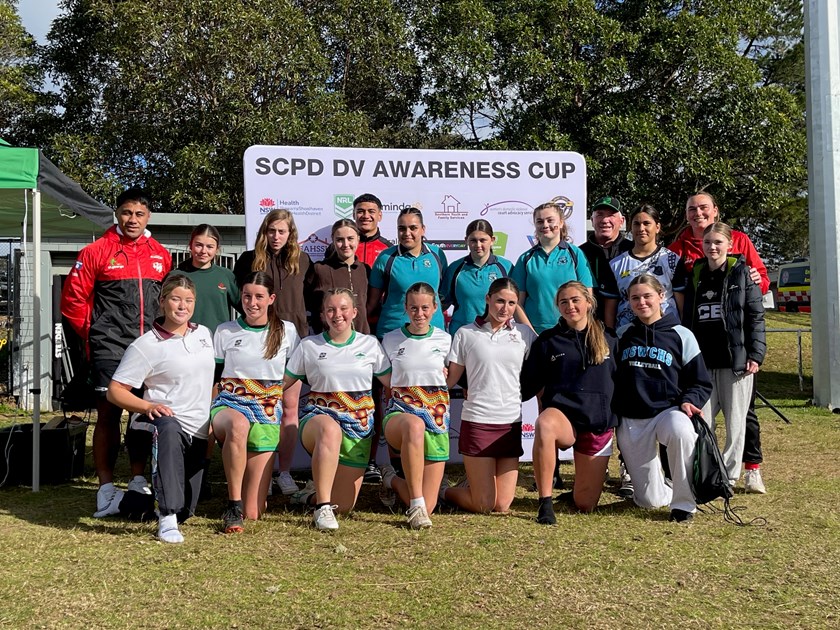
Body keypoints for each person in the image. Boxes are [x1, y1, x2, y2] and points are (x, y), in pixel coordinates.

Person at [60, 186, 171, 517]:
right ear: (117, 214)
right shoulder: (96, 251)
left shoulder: (160, 254)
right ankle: (106, 487)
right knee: (108, 414)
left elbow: (165, 301)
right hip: (109, 346)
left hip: (148, 347)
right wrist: (95, 334)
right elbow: (72, 300)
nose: (132, 219)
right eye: (126, 213)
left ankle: (137, 481)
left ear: (148, 216)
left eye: (139, 214)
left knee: (142, 413)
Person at [669, 192, 770, 494]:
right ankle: (707, 472)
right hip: (703, 358)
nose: (697, 213)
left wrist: (756, 353)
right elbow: (685, 306)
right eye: (691, 209)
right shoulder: (687, 260)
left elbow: (756, 308)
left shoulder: (741, 257)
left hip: (734, 357)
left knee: (741, 419)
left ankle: (740, 473)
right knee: (702, 420)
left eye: (703, 208)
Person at [106, 275, 215, 543]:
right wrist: (148, 405)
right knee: (168, 426)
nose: (182, 306)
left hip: (198, 431)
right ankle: (166, 518)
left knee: (186, 510)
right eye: (176, 299)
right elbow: (115, 390)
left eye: (189, 300)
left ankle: (125, 501)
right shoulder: (146, 345)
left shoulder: (204, 334)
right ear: (162, 301)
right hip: (161, 424)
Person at [284, 289, 391, 530]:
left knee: (343, 506)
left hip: (358, 427)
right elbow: (282, 382)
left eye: (343, 309)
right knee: (329, 429)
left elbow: (393, 383)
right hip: (318, 420)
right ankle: (322, 508)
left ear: (354, 312)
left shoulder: (370, 344)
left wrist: (438, 375)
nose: (337, 314)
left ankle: (310, 495)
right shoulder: (309, 345)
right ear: (323, 315)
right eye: (331, 309)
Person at [615, 274, 712, 522]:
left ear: (661, 296)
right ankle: (667, 489)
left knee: (681, 431)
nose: (642, 302)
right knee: (649, 501)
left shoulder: (681, 335)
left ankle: (684, 504)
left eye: (647, 296)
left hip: (668, 411)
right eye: (635, 298)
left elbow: (700, 381)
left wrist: (691, 400)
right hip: (633, 416)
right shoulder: (623, 334)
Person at [521, 281, 618, 524]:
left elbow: (624, 380)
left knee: (585, 504)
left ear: (588, 302)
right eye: (563, 302)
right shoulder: (547, 341)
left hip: (597, 423)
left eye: (575, 300)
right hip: (564, 418)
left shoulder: (610, 337)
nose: (570, 306)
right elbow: (526, 385)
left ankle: (573, 494)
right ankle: (545, 502)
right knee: (544, 423)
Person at [210, 272, 300, 533]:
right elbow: (213, 377)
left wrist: (273, 398)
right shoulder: (225, 330)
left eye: (259, 297)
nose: (252, 302)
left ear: (271, 299)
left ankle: (245, 505)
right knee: (237, 426)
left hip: (266, 412)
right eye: (247, 296)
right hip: (229, 404)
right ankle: (232, 505)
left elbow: (293, 375)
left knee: (255, 513)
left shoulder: (287, 330)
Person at [442, 278, 537, 513]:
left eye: (512, 303)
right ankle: (442, 490)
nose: (505, 309)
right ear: (487, 299)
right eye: (500, 301)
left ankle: (473, 484)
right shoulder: (465, 334)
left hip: (510, 423)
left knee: (502, 505)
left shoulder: (524, 334)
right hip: (478, 421)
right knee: (484, 505)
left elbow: (543, 347)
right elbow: (450, 380)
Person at [366, 207, 448, 482]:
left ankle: (426, 462)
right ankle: (395, 469)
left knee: (429, 398)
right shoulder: (386, 258)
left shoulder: (437, 255)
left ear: (423, 230)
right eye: (402, 228)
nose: (407, 233)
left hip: (431, 336)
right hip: (392, 335)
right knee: (393, 400)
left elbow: (442, 294)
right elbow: (374, 301)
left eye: (413, 227)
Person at [233, 209, 309, 496]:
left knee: (289, 409)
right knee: (251, 408)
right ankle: (254, 471)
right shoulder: (247, 260)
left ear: (290, 234)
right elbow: (237, 296)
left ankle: (285, 472)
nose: (276, 236)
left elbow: (312, 297)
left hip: (292, 342)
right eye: (271, 230)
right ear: (264, 232)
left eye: (282, 231)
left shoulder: (302, 261)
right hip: (255, 343)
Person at [379, 283, 452, 529]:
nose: (419, 314)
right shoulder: (389, 340)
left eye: (424, 308)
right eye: (413, 308)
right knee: (414, 424)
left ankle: (391, 480)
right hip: (401, 417)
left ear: (434, 308)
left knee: (429, 506)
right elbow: (386, 380)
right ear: (405, 308)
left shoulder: (446, 340)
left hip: (437, 419)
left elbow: (451, 377)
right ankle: (416, 503)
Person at [511, 201, 594, 333]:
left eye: (550, 220)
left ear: (561, 223)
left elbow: (588, 298)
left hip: (571, 332)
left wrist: (578, 328)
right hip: (536, 333)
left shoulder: (575, 254)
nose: (545, 225)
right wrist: (530, 333)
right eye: (539, 221)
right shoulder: (525, 259)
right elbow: (516, 303)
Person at [605, 204, 686, 330]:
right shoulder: (616, 264)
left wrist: (683, 332)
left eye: (646, 223)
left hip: (666, 332)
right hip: (628, 334)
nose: (641, 228)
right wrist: (610, 337)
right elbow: (610, 306)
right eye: (636, 224)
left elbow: (682, 305)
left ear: (657, 227)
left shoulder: (672, 260)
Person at [442, 219, 513, 336]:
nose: (478, 245)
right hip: (462, 333)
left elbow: (516, 303)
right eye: (473, 240)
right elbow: (441, 303)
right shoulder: (455, 268)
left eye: (483, 240)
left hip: (496, 335)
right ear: (466, 241)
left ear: (492, 240)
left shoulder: (506, 267)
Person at [171, 224, 240, 333]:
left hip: (216, 342)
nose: (203, 251)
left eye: (209, 247)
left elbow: (246, 308)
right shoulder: (175, 276)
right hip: (183, 340)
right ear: (190, 246)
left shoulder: (226, 276)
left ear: (217, 249)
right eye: (199, 245)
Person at [310, 219, 370, 334]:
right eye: (340, 240)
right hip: (329, 339)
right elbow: (310, 304)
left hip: (360, 337)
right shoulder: (320, 269)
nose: (346, 244)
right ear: (333, 240)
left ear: (358, 239)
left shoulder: (365, 270)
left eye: (350, 239)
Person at [578, 196, 632, 322]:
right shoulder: (579, 253)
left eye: (611, 215)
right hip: (590, 325)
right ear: (592, 220)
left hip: (630, 326)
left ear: (621, 221)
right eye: (600, 215)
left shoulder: (632, 250)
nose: (605, 220)